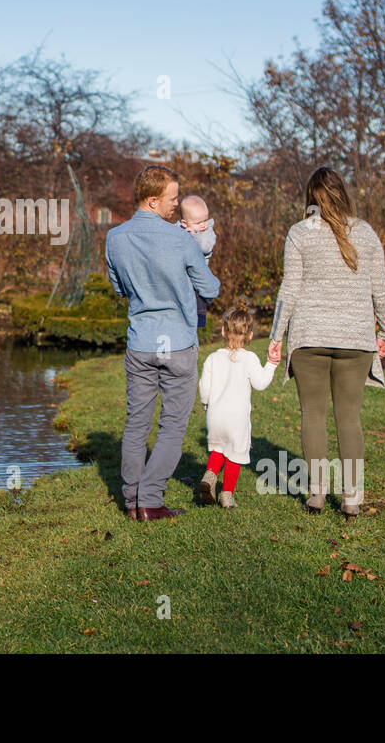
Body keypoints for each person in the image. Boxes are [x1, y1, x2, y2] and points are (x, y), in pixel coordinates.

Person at [266, 167, 385, 518]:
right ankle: (352, 498)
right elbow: (379, 289)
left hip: (309, 337)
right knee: (349, 418)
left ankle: (317, 493)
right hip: (355, 338)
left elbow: (288, 289)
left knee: (313, 415)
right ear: (343, 193)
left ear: (310, 198)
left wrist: (276, 336)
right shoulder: (365, 233)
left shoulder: (299, 233)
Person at [105, 165, 220, 521]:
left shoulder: (115, 237)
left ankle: (131, 500)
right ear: (153, 200)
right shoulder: (181, 239)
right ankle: (150, 500)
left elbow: (120, 289)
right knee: (172, 424)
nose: (176, 206)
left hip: (141, 341)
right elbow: (211, 289)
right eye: (172, 199)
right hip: (179, 343)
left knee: (136, 423)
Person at [197, 307, 278, 508]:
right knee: (235, 455)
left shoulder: (213, 358)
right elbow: (260, 383)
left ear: (224, 331)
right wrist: (271, 364)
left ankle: (210, 474)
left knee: (218, 449)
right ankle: (227, 495)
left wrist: (206, 404)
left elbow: (204, 388)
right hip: (238, 419)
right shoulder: (249, 358)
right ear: (250, 335)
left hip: (215, 415)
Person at [178, 194, 217, 329]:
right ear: (184, 223)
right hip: (181, 274)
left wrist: (194, 234)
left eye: (205, 220)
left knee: (197, 299)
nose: (203, 225)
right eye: (198, 222)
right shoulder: (177, 229)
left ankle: (199, 318)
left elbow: (205, 247)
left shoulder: (207, 232)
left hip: (197, 275)